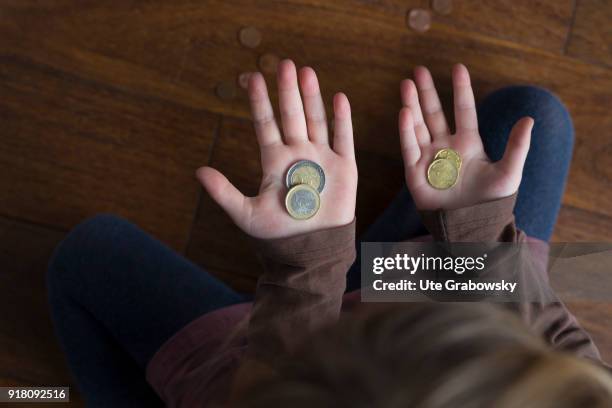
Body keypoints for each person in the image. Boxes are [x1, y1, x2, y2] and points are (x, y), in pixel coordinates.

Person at [46, 60, 612, 407]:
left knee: (88, 252)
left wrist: (305, 272)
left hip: (269, 357)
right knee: (534, 114)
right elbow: (568, 351)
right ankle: (372, 274)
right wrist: (477, 235)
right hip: (445, 282)